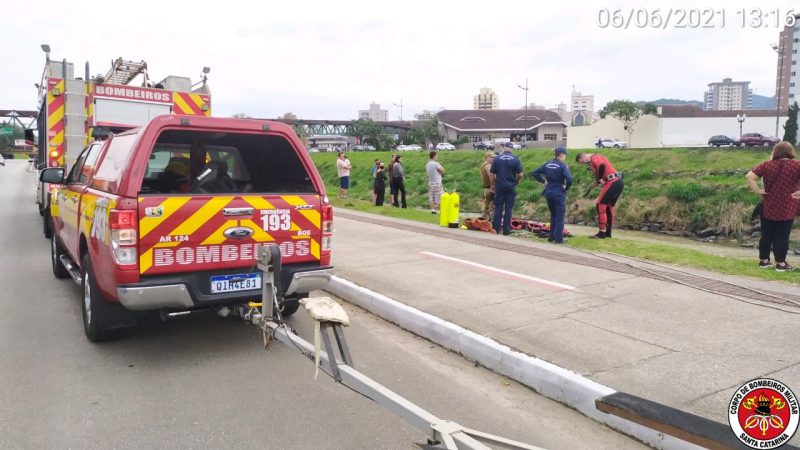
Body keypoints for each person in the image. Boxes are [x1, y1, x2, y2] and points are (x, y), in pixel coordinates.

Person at [745, 141, 800, 272]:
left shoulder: (767, 165)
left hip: (768, 205)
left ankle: (764, 261)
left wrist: (758, 191)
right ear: (790, 151)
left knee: (766, 235)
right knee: (782, 236)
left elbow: (749, 177)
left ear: (775, 152)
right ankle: (780, 264)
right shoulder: (797, 165)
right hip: (787, 206)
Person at [575, 152, 624, 239]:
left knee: (600, 205)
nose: (584, 163)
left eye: (582, 162)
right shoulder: (595, 159)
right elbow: (603, 169)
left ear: (583, 157)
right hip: (618, 182)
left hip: (612, 182)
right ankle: (608, 233)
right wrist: (597, 182)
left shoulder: (594, 157)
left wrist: (600, 179)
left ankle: (602, 233)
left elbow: (601, 166)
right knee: (609, 207)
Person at [531, 147, 573, 243]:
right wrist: (566, 188)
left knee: (553, 214)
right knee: (560, 216)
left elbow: (535, 173)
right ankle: (559, 239)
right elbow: (570, 180)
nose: (565, 156)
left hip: (548, 192)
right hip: (558, 192)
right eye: (565, 154)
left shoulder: (548, 163)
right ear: (561, 154)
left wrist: (543, 181)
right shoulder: (563, 165)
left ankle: (552, 236)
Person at [491, 142, 523, 235]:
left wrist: (492, 185)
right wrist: (516, 181)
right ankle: (506, 230)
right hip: (511, 187)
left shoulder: (497, 159)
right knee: (509, 208)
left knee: (498, 208)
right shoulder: (516, 159)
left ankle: (496, 229)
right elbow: (520, 174)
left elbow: (492, 174)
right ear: (512, 149)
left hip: (499, 186)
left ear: (504, 148)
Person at [480, 151, 495, 220]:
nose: (494, 159)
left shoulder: (484, 165)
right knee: (491, 206)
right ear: (488, 157)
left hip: (487, 187)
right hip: (489, 188)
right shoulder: (487, 165)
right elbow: (491, 175)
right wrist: (493, 185)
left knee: (486, 204)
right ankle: (491, 221)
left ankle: (483, 220)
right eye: (493, 157)